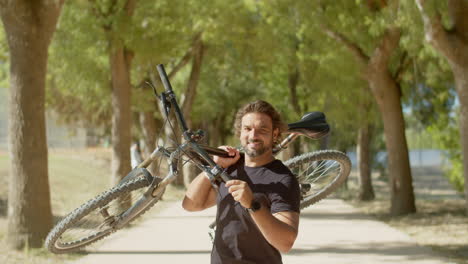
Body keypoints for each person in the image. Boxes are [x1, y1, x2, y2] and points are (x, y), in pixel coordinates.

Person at [182, 100, 300, 264]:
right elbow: (191, 204)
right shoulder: (230, 168)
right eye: (247, 129)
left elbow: (285, 242)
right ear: (240, 132)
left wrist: (252, 204)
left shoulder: (283, 179)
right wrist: (215, 166)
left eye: (262, 130)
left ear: (274, 134)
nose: (253, 136)